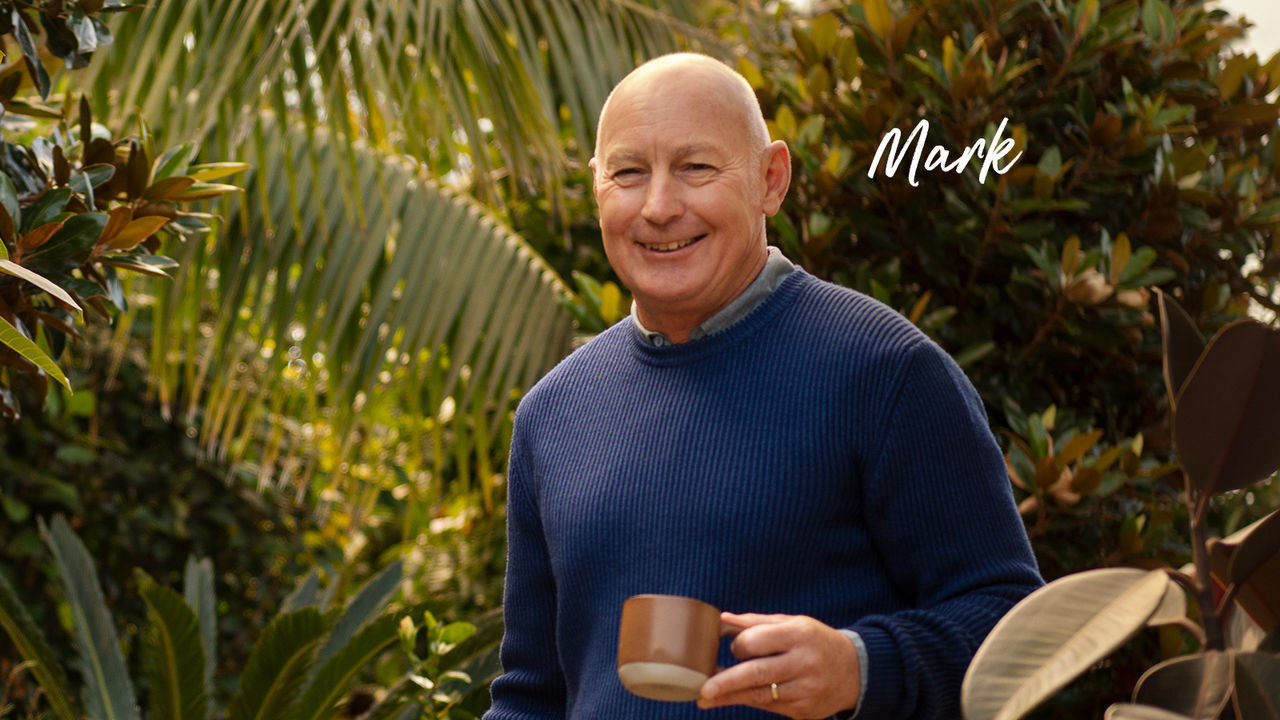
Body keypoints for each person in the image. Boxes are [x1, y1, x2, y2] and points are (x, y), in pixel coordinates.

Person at [483, 52, 1042, 720]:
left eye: (695, 168)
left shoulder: (884, 371)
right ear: (598, 187)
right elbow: (531, 697)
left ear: (770, 180)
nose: (659, 207)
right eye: (630, 173)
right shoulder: (553, 415)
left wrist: (860, 668)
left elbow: (1017, 628)